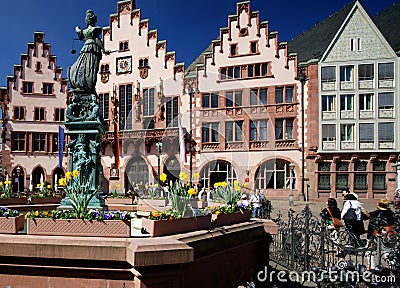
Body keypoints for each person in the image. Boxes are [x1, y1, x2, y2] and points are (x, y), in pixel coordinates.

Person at [68, 10, 110, 94]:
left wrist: (103, 49)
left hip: (89, 48)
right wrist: (104, 49)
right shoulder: (90, 30)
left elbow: (96, 39)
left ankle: (88, 84)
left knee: (88, 66)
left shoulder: (89, 30)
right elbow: (97, 40)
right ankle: (85, 83)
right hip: (90, 48)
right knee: (88, 66)